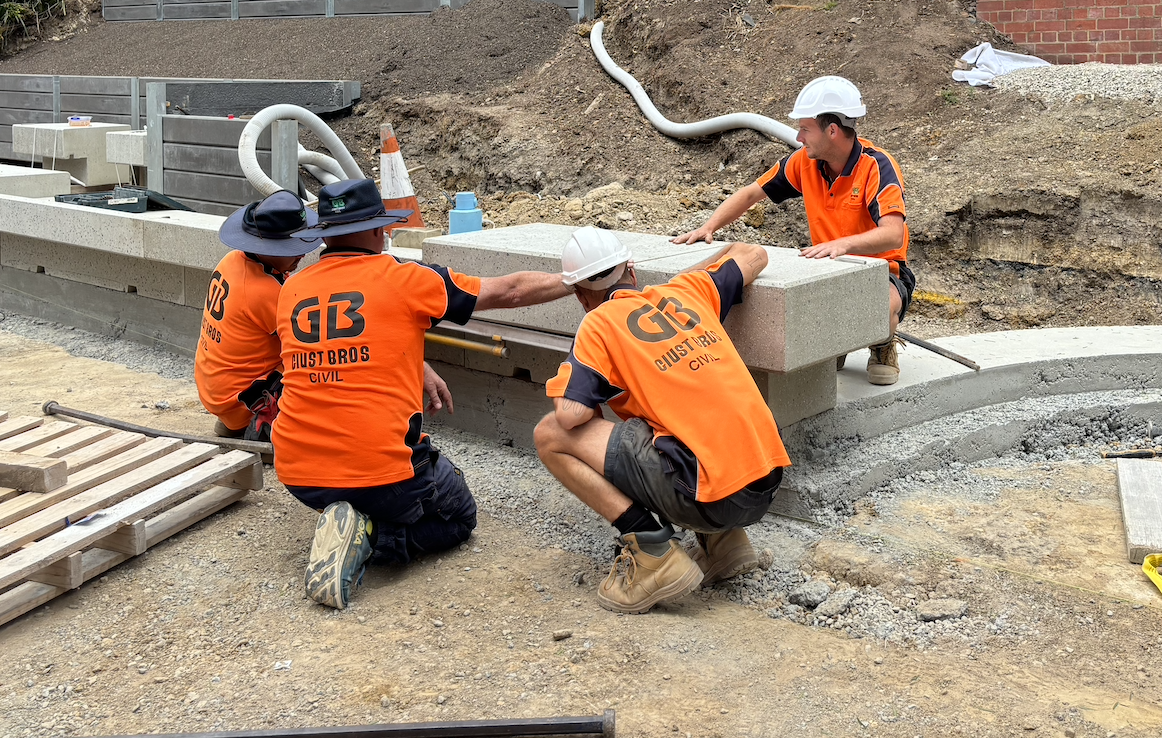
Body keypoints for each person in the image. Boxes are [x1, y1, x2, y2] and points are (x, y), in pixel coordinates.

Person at [272, 177, 574, 610]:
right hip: (382, 475)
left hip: (299, 474)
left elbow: (346, 350)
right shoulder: (405, 278)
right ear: (378, 230)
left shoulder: (292, 290)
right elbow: (508, 291)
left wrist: (419, 364)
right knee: (458, 517)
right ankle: (372, 537)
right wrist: (578, 279)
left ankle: (346, 518)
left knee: (371, 478)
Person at [534, 227, 789, 615]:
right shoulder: (688, 291)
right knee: (673, 422)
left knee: (549, 434)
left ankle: (653, 551)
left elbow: (571, 416)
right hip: (764, 485)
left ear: (581, 295)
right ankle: (725, 545)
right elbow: (754, 252)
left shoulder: (598, 324)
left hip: (712, 498)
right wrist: (681, 278)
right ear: (632, 273)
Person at [672, 75, 912, 386]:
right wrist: (708, 226)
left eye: (805, 128)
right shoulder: (804, 163)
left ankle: (881, 342)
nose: (798, 137)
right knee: (809, 328)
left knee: (877, 310)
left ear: (833, 131)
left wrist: (841, 245)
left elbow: (893, 233)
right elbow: (750, 194)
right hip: (827, 269)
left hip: (883, 271)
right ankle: (839, 338)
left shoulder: (877, 166)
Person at [195, 190, 313, 441]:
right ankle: (263, 430)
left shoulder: (231, 261)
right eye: (292, 248)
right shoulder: (265, 291)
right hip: (243, 396)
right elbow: (311, 346)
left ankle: (234, 423)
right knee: (317, 367)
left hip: (216, 386)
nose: (301, 254)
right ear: (269, 247)